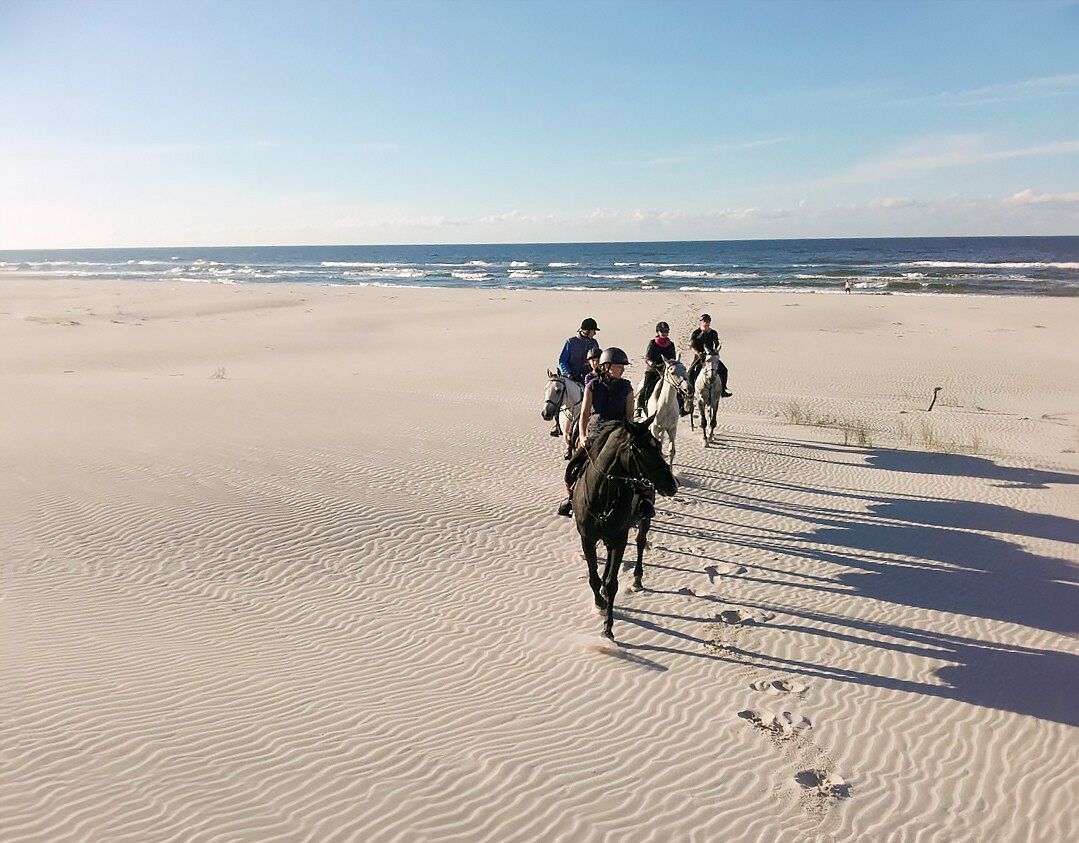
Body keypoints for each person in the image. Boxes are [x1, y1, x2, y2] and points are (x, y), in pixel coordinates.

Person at [556, 347, 636, 517]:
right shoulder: (592, 385)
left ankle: (643, 500)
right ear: (607, 366)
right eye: (619, 366)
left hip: (618, 431)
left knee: (637, 465)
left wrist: (628, 435)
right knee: (574, 466)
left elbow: (630, 416)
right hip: (595, 430)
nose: (622, 369)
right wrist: (583, 436)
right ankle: (571, 497)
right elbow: (585, 413)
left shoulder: (627, 387)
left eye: (623, 366)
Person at [634, 321, 684, 417]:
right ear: (658, 332)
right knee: (647, 386)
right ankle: (639, 407)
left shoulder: (671, 344)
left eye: (666, 331)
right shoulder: (653, 343)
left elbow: (672, 358)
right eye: (662, 331)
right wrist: (653, 364)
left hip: (666, 370)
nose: (664, 333)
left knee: (677, 385)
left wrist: (670, 365)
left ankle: (682, 406)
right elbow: (648, 358)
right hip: (653, 369)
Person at [686, 313, 732, 398]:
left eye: (708, 321)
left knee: (724, 370)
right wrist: (698, 353)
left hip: (711, 357)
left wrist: (716, 350)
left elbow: (716, 344)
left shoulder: (713, 333)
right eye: (704, 321)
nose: (706, 323)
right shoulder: (696, 333)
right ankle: (690, 392)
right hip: (699, 357)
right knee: (691, 371)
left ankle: (723, 389)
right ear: (700, 322)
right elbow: (692, 346)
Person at [558, 317, 600, 383]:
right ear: (587, 331)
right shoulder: (570, 342)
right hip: (571, 378)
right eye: (593, 331)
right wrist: (568, 373)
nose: (595, 333)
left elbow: (597, 361)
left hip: (589, 379)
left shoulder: (594, 343)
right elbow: (563, 361)